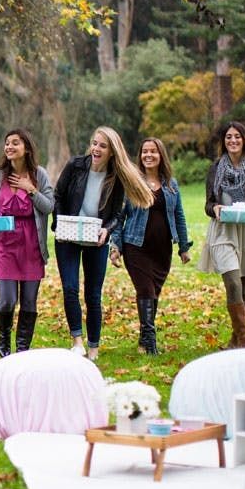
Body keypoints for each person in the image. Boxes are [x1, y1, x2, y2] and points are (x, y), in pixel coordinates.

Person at [52, 126, 153, 361]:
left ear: (111, 152)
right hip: (68, 236)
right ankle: (77, 341)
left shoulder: (115, 177)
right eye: (94, 143)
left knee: (93, 295)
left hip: (95, 239)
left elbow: (117, 214)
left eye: (102, 146)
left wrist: (106, 231)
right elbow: (58, 196)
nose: (96, 149)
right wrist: (60, 222)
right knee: (69, 288)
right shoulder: (75, 165)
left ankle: (94, 347)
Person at [109, 137, 193, 355]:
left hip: (162, 250)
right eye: (145, 151)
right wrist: (115, 246)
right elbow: (119, 217)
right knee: (145, 290)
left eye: (153, 152)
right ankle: (150, 341)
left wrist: (184, 246)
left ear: (161, 155)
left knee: (153, 293)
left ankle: (143, 339)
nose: (148, 155)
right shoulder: (132, 183)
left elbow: (179, 216)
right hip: (136, 246)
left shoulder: (171, 185)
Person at [0, 128, 55, 357]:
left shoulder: (39, 174)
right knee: (7, 301)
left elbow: (49, 207)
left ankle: (22, 350)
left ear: (26, 148)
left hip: (31, 246)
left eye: (15, 143)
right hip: (4, 244)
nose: (9, 147)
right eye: (7, 143)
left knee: (29, 304)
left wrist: (31, 190)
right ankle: (4, 340)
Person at [198, 121, 245, 348]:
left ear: (244, 140)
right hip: (222, 231)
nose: (233, 141)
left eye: (237, 136)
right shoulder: (215, 168)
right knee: (233, 283)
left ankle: (235, 341)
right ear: (223, 142)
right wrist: (215, 209)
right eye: (228, 137)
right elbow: (208, 204)